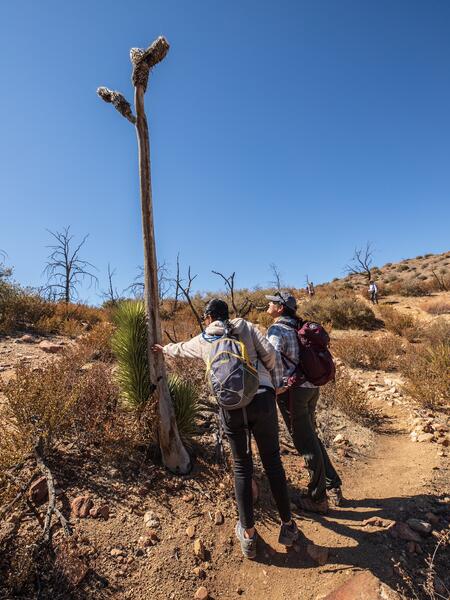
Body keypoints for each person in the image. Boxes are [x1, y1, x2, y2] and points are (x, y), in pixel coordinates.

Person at [153, 298, 299, 558]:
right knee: (273, 462)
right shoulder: (246, 326)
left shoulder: (204, 339)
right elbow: (272, 356)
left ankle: (249, 536)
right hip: (262, 399)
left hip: (231, 408)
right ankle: (288, 526)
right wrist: (273, 384)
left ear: (208, 317)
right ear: (227, 314)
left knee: (242, 467)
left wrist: (163, 349)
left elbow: (181, 349)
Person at [265, 291, 342, 513]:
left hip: (292, 392)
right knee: (312, 437)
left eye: (272, 302)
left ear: (280, 308)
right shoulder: (299, 326)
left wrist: (276, 387)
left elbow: (272, 359)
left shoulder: (278, 329)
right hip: (310, 389)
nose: (268, 304)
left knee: (305, 443)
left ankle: (317, 499)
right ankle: (331, 482)